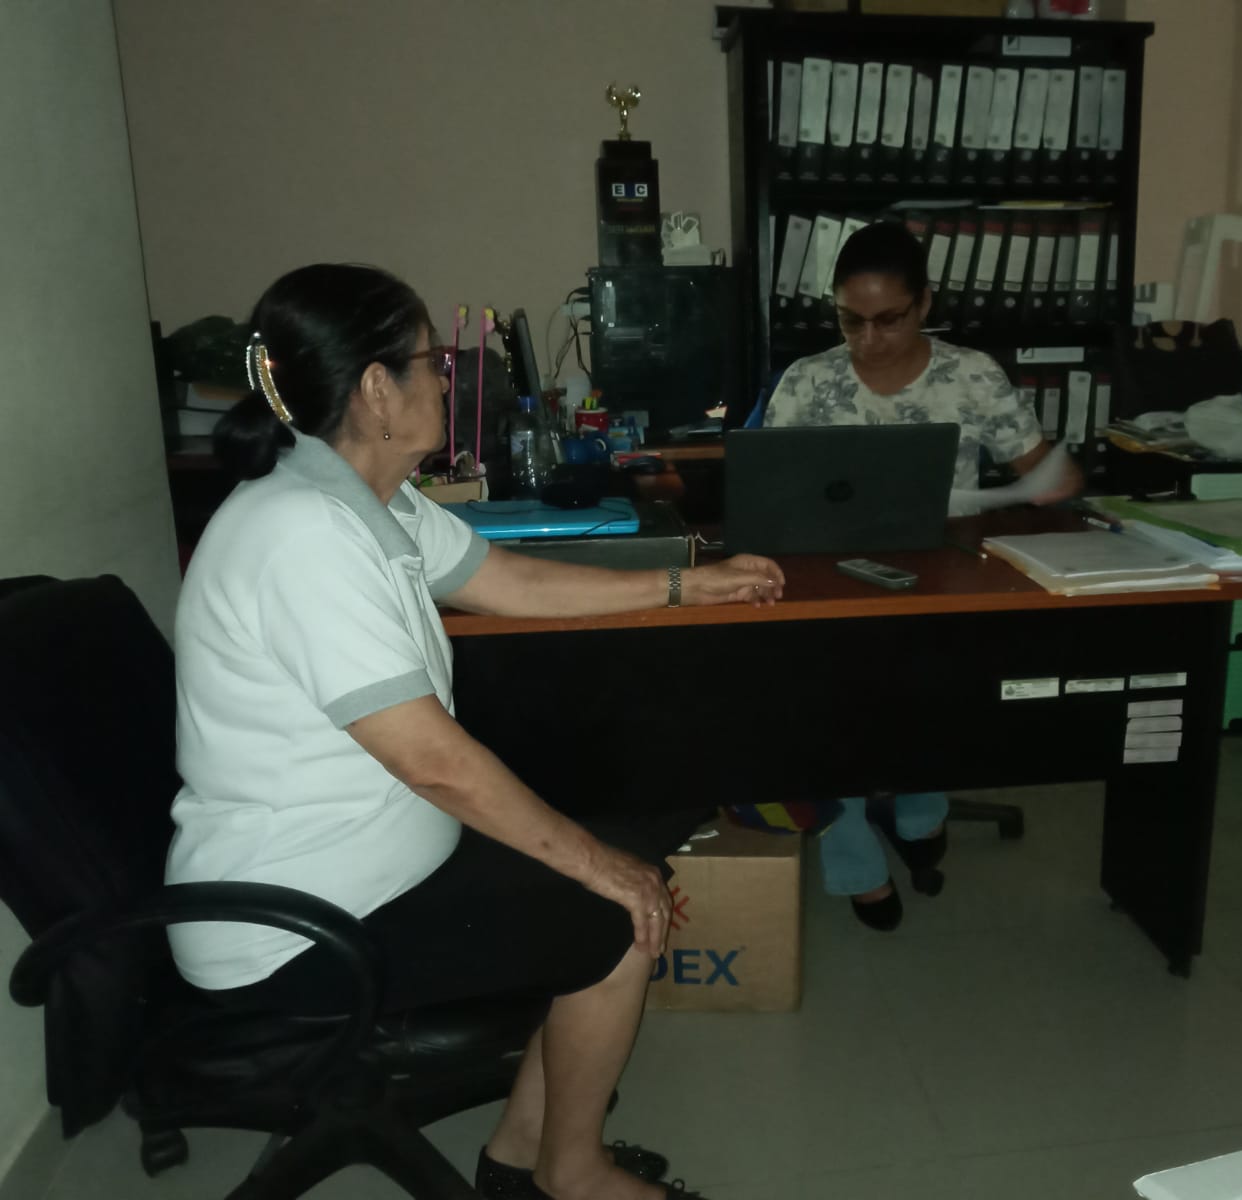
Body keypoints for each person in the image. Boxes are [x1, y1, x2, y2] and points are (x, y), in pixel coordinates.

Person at [167, 264, 783, 1200]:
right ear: (377, 389)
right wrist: (595, 865)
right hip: (292, 926)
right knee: (615, 909)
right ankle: (572, 1175)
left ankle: (520, 1158)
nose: (448, 379)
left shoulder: (369, 498)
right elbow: (432, 762)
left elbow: (506, 581)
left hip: (365, 870)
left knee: (620, 853)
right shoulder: (302, 535)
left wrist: (682, 584)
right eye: (432, 362)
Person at [763, 220, 1082, 931]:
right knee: (814, 703)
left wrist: (1050, 482)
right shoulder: (807, 381)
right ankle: (854, 859)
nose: (869, 338)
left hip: (938, 584)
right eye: (851, 320)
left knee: (931, 691)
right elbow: (769, 494)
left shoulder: (970, 375)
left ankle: (918, 805)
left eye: (889, 319)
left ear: (925, 304)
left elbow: (1049, 476)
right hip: (830, 586)